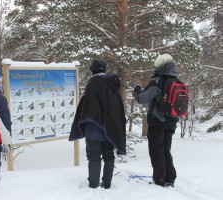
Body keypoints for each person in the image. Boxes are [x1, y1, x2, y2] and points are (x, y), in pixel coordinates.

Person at [69, 59, 126, 189]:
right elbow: (117, 108)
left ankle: (93, 184)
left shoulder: (93, 84)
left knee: (94, 157)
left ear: (92, 70)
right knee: (109, 156)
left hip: (94, 128)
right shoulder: (113, 85)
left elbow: (85, 106)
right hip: (110, 129)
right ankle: (107, 183)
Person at [133, 54, 179, 187]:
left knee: (156, 150)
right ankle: (170, 178)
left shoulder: (157, 81)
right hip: (172, 121)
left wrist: (137, 91)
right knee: (166, 149)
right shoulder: (177, 80)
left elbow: (142, 98)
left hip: (157, 121)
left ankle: (159, 179)